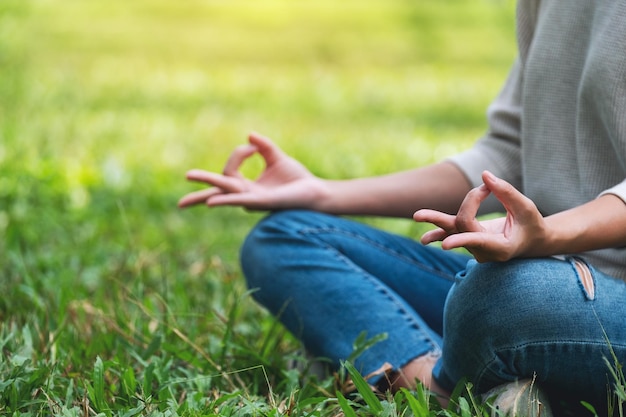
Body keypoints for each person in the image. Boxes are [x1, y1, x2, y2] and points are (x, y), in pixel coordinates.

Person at [179, 0, 626, 414]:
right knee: (283, 238)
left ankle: (388, 370)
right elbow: (506, 153)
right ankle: (451, 390)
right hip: (534, 270)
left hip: (564, 295)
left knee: (500, 297)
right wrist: (323, 194)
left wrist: (547, 235)